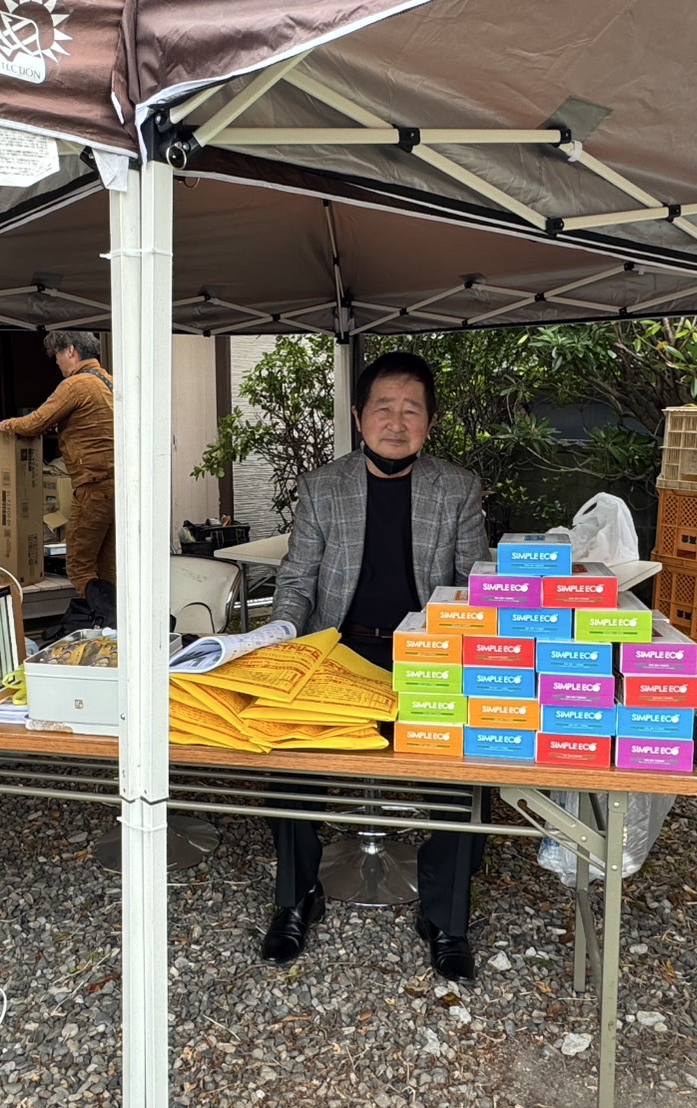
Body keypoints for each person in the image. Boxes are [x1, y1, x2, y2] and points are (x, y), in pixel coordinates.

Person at [266, 351, 491, 983]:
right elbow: (298, 581)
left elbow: (473, 588)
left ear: (430, 422)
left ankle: (445, 916)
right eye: (383, 408)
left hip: (426, 655)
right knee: (287, 750)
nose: (396, 422)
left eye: (412, 410)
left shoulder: (457, 488)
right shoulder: (322, 487)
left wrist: (458, 660)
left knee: (462, 758)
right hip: (339, 650)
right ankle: (296, 896)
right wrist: (281, 638)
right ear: (359, 415)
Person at [0, 331, 115, 598]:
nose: (57, 363)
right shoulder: (110, 382)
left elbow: (36, 422)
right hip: (117, 486)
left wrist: (7, 425)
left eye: (57, 355)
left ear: (70, 350)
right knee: (107, 565)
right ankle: (114, 617)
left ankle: (95, 615)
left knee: (80, 566)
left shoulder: (76, 385)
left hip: (92, 486)